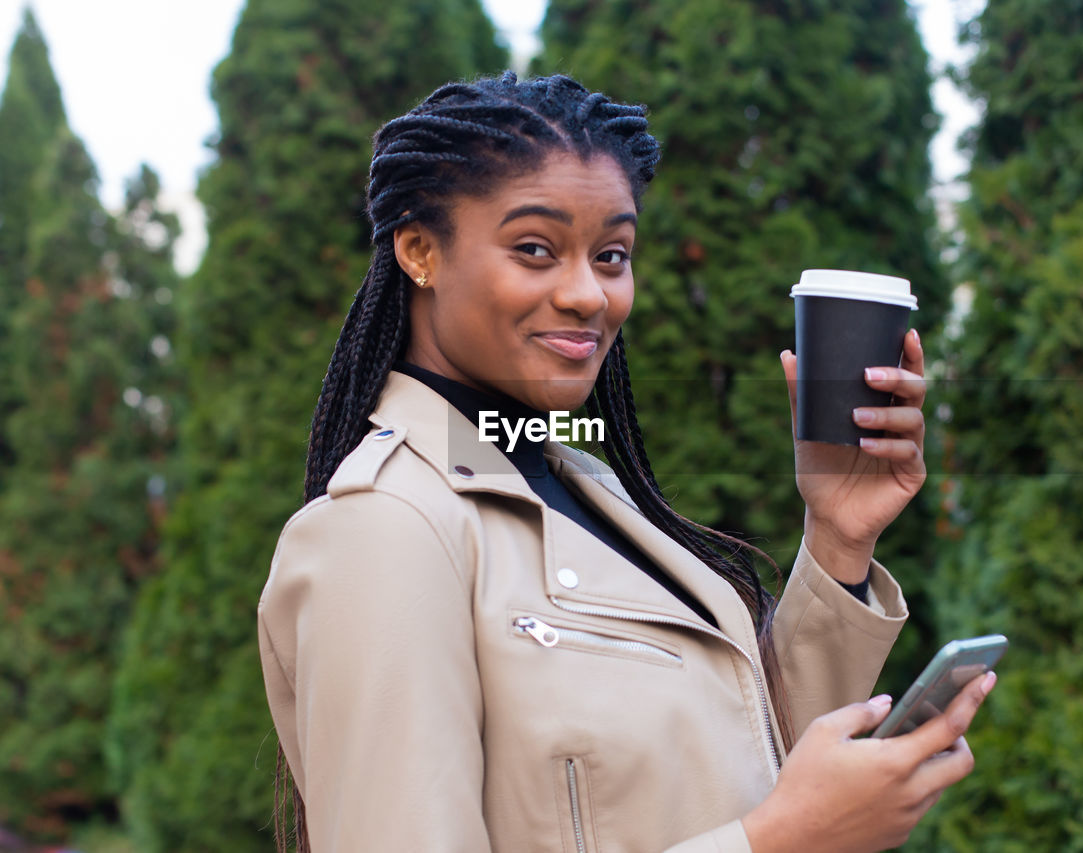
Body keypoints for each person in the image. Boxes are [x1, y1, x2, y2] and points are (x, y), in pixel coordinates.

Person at [257, 71, 996, 853]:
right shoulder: (387, 528)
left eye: (611, 255)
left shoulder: (588, 491)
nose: (588, 294)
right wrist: (778, 841)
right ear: (418, 250)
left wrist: (839, 539)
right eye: (535, 249)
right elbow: (769, 824)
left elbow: (744, 758)